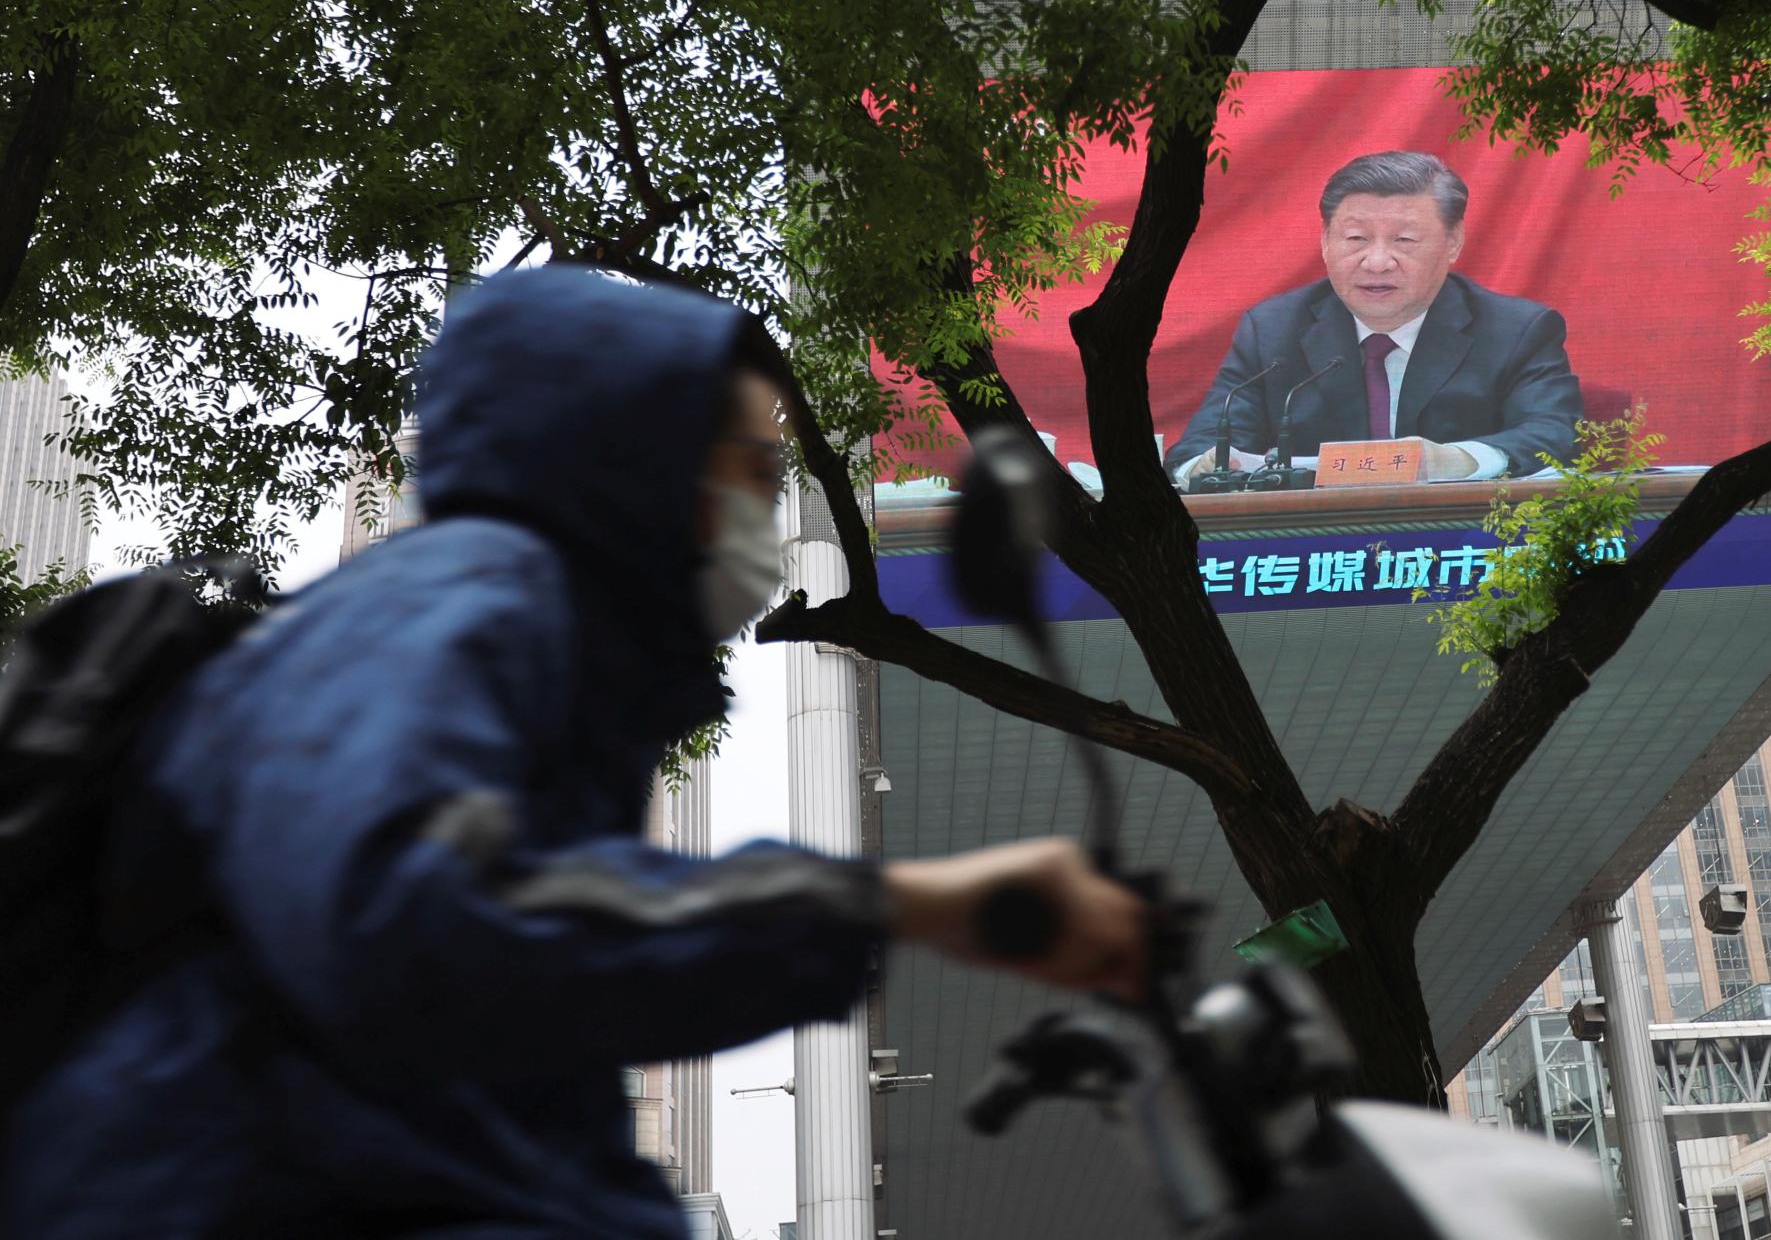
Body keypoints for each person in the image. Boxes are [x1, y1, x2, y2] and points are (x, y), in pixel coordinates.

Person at [0, 266, 1144, 1238]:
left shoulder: (552, 682)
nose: (767, 503)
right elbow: (407, 916)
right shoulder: (468, 594)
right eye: (749, 466)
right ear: (635, 464)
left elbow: (527, 1078)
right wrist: (895, 903)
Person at [1167, 150, 1584, 484]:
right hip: (1312, 547)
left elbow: (1555, 435)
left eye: (1405, 240)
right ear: (1325, 243)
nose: (1378, 262)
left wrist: (1455, 460)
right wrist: (1206, 468)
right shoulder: (1273, 330)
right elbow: (1198, 450)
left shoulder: (1517, 330)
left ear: (1453, 243)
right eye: (1356, 239)